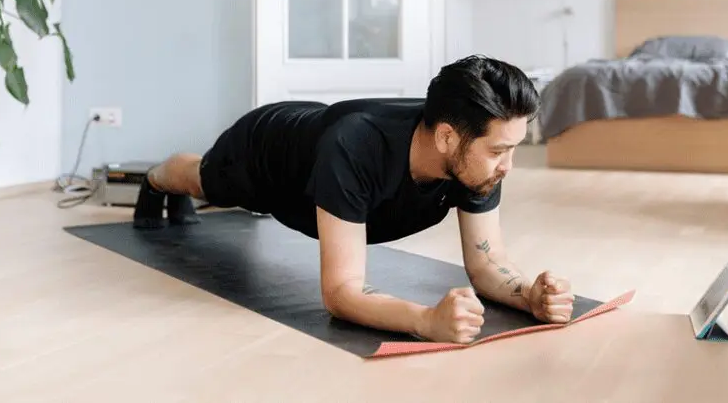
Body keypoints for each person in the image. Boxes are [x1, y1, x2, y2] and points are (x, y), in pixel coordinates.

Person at [134, 55, 574, 344]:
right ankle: (155, 178)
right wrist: (426, 321)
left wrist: (527, 295)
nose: (508, 167)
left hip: (319, 133)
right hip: (263, 151)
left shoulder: (472, 154)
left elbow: (486, 261)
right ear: (445, 137)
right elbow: (341, 294)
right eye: (499, 151)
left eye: (513, 148)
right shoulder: (357, 147)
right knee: (203, 182)